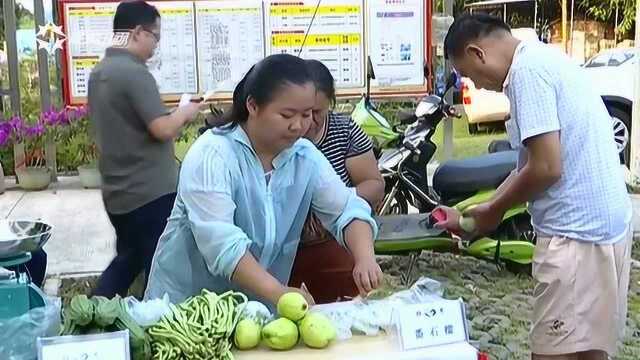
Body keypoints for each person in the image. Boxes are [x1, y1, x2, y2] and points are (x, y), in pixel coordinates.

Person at [437, 14, 632, 360]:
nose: (478, 86)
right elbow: (529, 167)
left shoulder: (526, 74)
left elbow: (546, 168)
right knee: (590, 349)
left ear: (477, 52)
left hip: (574, 237)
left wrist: (493, 213)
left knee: (552, 352)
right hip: (608, 229)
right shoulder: (547, 57)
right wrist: (480, 212)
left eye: (470, 75)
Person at [144, 54, 382, 308]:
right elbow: (222, 245)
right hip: (188, 310)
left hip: (256, 311)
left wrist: (365, 257)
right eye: (287, 115)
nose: (299, 126)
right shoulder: (212, 155)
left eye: (307, 114)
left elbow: (346, 208)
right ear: (253, 106)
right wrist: (280, 293)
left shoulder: (304, 157)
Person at [88, 0, 203, 298]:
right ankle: (112, 317)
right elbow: (162, 129)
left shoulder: (100, 72)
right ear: (138, 32)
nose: (156, 46)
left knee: (130, 258)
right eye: (155, 36)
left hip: (118, 192)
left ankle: (95, 316)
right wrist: (187, 112)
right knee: (159, 267)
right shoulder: (134, 73)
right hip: (149, 193)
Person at [288, 59, 384, 303]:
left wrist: (335, 202)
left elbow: (373, 185)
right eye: (301, 112)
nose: (308, 122)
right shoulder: (283, 137)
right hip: (283, 248)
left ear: (330, 103)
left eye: (317, 113)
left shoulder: (345, 132)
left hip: (332, 241)